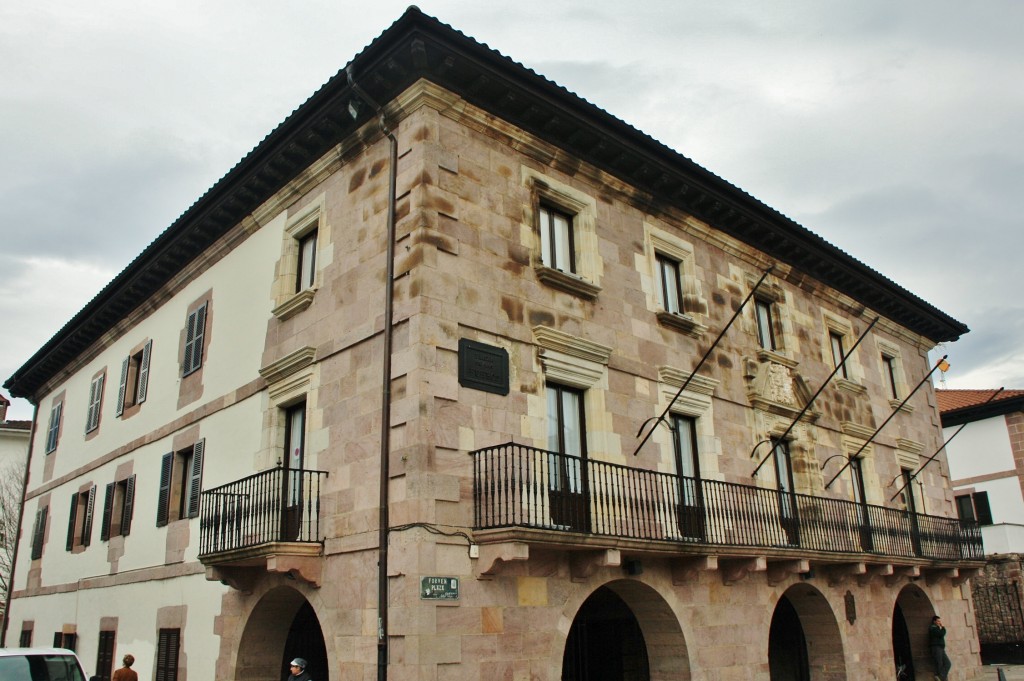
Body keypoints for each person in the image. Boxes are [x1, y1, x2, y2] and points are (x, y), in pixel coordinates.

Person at [928, 615, 952, 681]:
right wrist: (943, 627)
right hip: (936, 647)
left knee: (948, 663)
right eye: (938, 621)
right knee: (939, 664)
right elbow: (941, 634)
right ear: (934, 621)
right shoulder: (933, 628)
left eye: (940, 621)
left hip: (941, 648)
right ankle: (941, 678)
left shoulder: (937, 628)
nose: (939, 622)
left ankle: (940, 677)